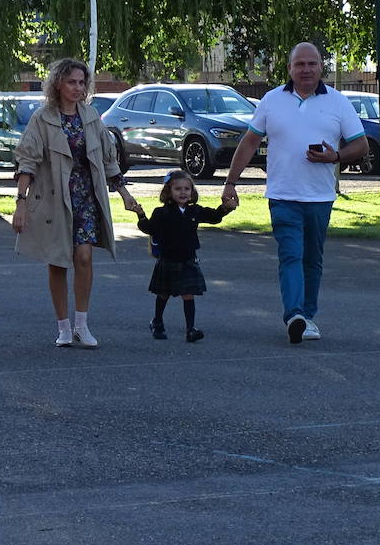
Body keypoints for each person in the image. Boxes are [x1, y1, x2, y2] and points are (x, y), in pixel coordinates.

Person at [221, 42, 367, 344]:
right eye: (299, 64)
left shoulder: (338, 103)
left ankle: (308, 316)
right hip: (282, 195)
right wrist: (230, 182)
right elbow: (249, 142)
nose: (306, 70)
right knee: (290, 255)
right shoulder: (272, 100)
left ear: (321, 67)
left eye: (312, 64)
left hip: (320, 197)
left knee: (312, 259)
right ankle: (295, 315)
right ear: (289, 68)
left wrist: (335, 157)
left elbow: (361, 146)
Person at [12, 57, 141, 348]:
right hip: (54, 199)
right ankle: (63, 327)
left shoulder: (92, 117)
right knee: (58, 261)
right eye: (72, 81)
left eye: (82, 82)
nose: (78, 88)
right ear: (58, 83)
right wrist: (20, 203)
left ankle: (82, 323)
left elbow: (108, 160)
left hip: (86, 197)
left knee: (84, 256)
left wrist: (124, 194)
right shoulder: (42, 118)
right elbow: (27, 161)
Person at [132, 169, 234, 342]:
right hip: (168, 259)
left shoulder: (194, 211)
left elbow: (214, 217)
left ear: (192, 192)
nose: (183, 192)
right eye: (178, 189)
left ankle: (190, 329)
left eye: (187, 189)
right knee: (163, 294)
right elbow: (149, 228)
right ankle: (157, 321)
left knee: (188, 294)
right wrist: (140, 214)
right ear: (169, 192)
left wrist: (225, 208)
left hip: (188, 259)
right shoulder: (161, 213)